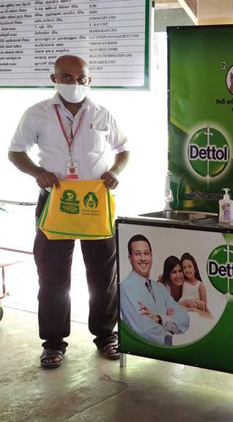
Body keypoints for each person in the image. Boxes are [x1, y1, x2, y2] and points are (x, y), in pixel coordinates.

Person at [7, 55, 130, 368]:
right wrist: (37, 173)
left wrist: (115, 171)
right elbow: (15, 152)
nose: (74, 83)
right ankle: (53, 342)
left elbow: (123, 149)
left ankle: (106, 335)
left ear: (89, 79)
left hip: (94, 204)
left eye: (80, 78)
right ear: (54, 78)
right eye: (66, 77)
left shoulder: (103, 113)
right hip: (55, 202)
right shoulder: (37, 113)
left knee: (103, 275)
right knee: (52, 275)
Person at [121, 235, 189, 346]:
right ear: (130, 258)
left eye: (146, 253)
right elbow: (143, 330)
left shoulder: (159, 288)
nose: (143, 258)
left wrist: (159, 319)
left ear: (151, 256)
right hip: (142, 351)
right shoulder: (124, 288)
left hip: (166, 352)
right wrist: (169, 328)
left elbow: (184, 319)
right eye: (137, 254)